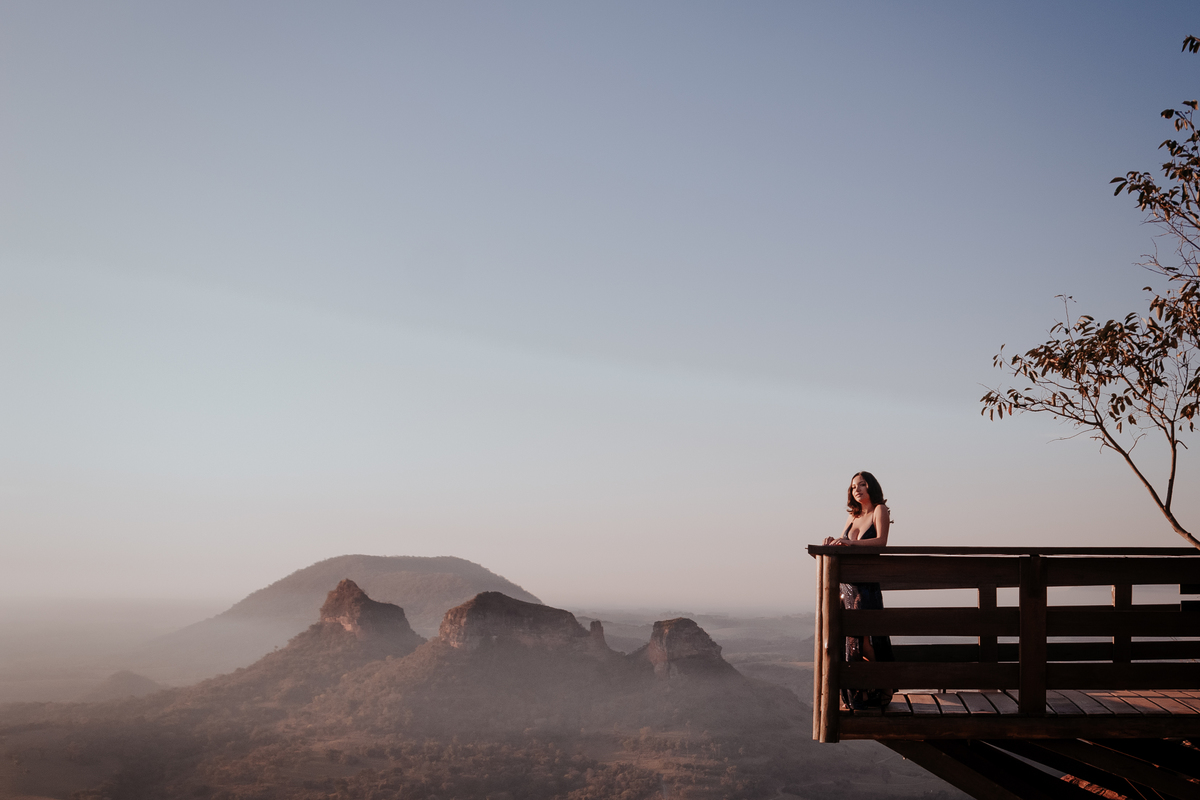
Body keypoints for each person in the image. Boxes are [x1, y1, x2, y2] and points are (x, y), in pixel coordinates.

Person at [822, 471, 894, 710]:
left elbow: (881, 542)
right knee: (852, 642)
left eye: (862, 484)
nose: (857, 489)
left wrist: (851, 543)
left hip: (866, 584)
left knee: (865, 641)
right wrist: (835, 541)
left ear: (871, 486)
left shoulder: (879, 510)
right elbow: (845, 544)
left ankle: (885, 683)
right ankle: (862, 693)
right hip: (847, 585)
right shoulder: (853, 516)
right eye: (853, 487)